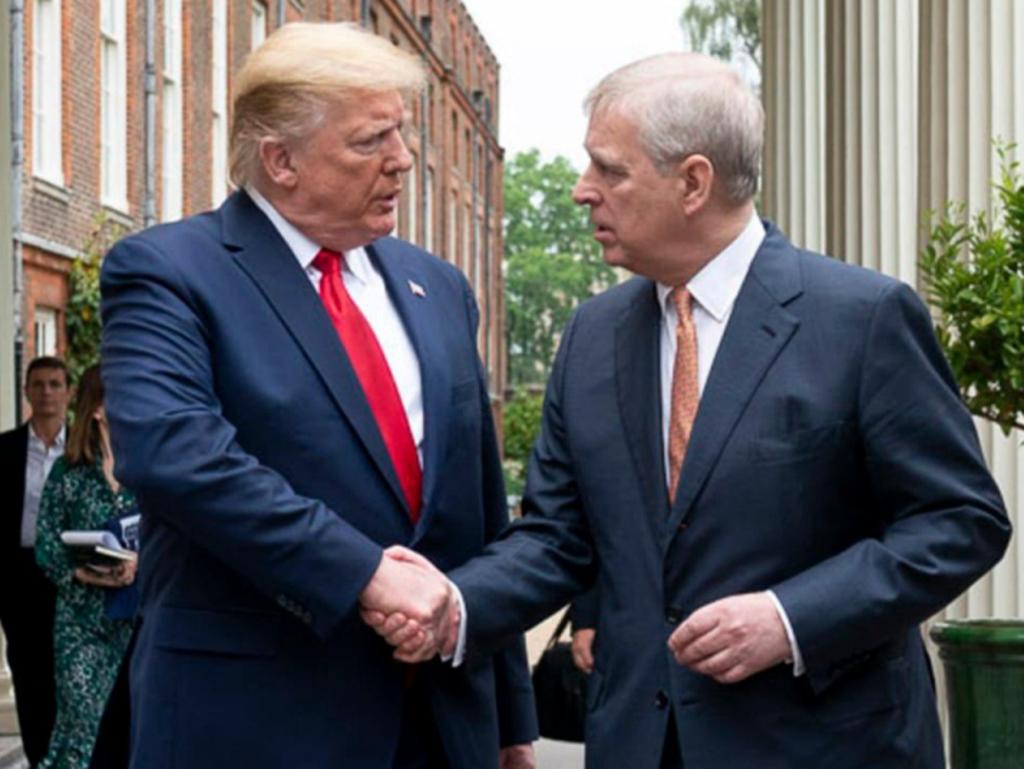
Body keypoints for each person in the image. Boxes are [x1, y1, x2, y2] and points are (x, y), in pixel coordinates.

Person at [368, 53, 1012, 769]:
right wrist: (454, 602)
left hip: (827, 743)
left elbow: (960, 521)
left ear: (694, 182)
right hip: (637, 744)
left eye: (608, 169)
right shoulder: (591, 336)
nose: (583, 191)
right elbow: (557, 537)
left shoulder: (863, 318)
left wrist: (789, 618)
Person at [99, 21, 535, 769]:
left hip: (439, 725)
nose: (402, 161)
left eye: (401, 133)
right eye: (372, 141)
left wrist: (510, 720)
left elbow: (480, 510)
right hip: (255, 724)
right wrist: (364, 574)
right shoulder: (169, 272)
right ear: (282, 160)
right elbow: (177, 455)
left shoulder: (440, 290)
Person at [34, 365, 137, 769]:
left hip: (137, 619)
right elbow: (45, 542)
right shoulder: (68, 473)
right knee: (80, 728)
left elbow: (171, 533)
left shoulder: (144, 468)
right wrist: (87, 572)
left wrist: (142, 561)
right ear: (97, 409)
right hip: (82, 622)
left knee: (132, 727)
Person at [0, 356, 71, 767]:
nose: (46, 392)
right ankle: (38, 754)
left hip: (73, 576)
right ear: (26, 392)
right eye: (39, 384)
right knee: (28, 672)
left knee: (68, 670)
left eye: (54, 384)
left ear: (68, 393)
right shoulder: (5, 449)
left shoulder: (86, 451)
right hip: (20, 577)